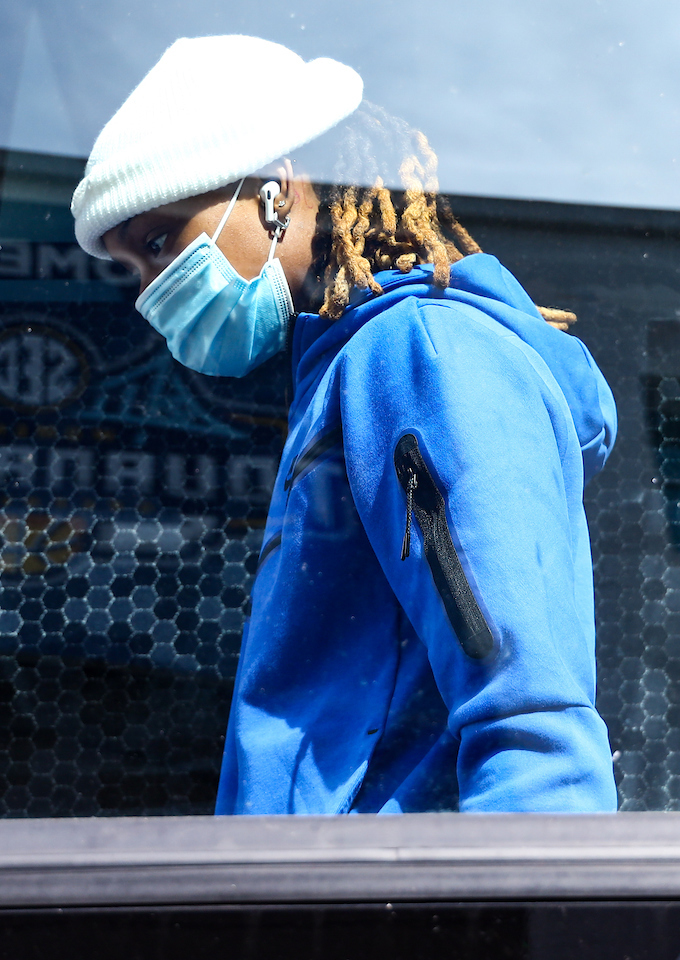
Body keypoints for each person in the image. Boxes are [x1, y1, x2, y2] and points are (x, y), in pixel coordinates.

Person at [70, 35, 618, 813]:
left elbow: (531, 729)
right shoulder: (346, 369)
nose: (147, 290)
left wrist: (533, 926)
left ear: (272, 188)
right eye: (130, 267)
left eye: (157, 242)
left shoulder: (423, 357)